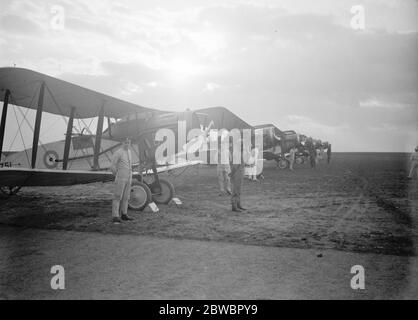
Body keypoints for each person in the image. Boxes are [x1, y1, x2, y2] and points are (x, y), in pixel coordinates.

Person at [110, 138, 134, 223]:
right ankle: (115, 216)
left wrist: (130, 175)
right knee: (117, 196)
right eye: (125, 142)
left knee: (126, 197)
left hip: (128, 177)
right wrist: (117, 175)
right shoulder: (118, 153)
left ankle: (124, 214)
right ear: (122, 143)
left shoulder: (129, 152)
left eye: (129, 142)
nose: (127, 144)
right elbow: (112, 166)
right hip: (121, 177)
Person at [229, 139, 247, 212]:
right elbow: (235, 165)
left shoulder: (239, 152)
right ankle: (234, 206)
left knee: (238, 190)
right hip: (237, 173)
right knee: (235, 190)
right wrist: (232, 173)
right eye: (242, 145)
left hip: (239, 173)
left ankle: (238, 204)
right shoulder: (237, 153)